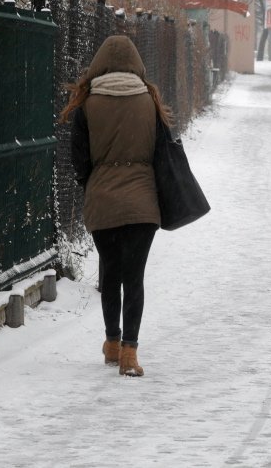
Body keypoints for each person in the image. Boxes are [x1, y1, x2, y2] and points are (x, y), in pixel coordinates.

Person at [60, 35, 171, 377]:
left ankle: (111, 342)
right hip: (142, 204)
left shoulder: (86, 105)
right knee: (134, 277)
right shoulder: (149, 102)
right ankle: (130, 355)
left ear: (99, 65)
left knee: (111, 273)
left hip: (103, 200)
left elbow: (78, 160)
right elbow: (162, 151)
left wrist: (94, 184)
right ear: (137, 64)